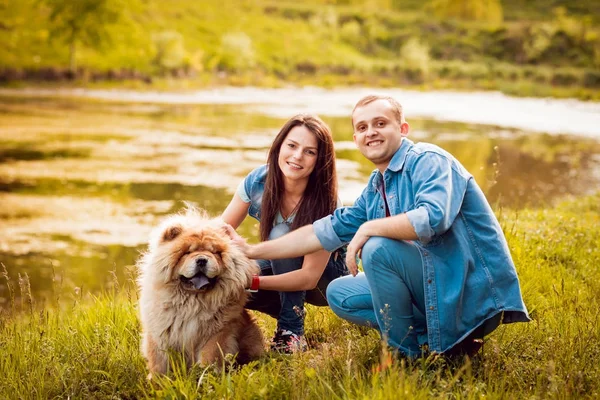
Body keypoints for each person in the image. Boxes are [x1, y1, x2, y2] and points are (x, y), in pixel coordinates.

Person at [226, 95, 530, 358]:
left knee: (377, 247)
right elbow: (320, 233)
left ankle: (404, 357)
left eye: (380, 123)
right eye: (362, 128)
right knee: (340, 293)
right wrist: (252, 249)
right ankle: (443, 342)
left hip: (467, 296)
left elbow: (432, 218)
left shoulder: (429, 161)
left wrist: (369, 229)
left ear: (403, 128)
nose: (370, 132)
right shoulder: (375, 188)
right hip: (429, 290)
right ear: (356, 139)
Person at [221, 114, 348, 354]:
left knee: (281, 234)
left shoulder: (326, 201)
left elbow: (309, 277)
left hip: (325, 279)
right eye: (291, 145)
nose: (297, 156)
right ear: (279, 146)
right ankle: (291, 309)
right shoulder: (258, 182)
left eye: (310, 152)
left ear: (320, 160)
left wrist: (253, 281)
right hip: (282, 265)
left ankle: (291, 332)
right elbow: (218, 232)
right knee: (226, 282)